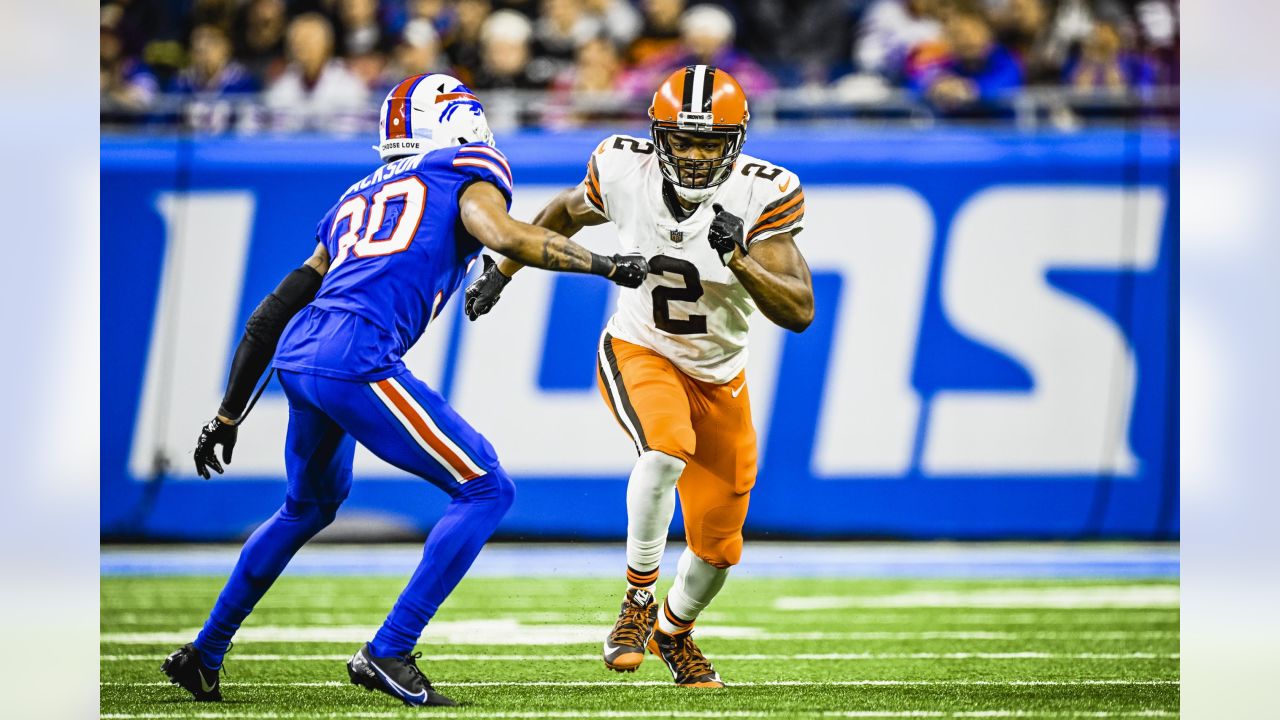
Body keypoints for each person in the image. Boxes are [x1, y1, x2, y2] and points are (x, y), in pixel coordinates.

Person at [160, 73, 648, 707]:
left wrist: (226, 415)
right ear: (454, 121)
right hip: (357, 354)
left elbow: (271, 311)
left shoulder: (357, 197)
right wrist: (608, 264)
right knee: (487, 487)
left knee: (305, 507)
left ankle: (205, 651)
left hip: (300, 353)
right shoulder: (463, 171)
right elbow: (505, 235)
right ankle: (389, 650)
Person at [464, 65, 814, 687]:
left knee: (718, 550)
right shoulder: (624, 169)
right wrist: (502, 267)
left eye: (712, 142)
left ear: (736, 142)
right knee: (663, 451)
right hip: (640, 348)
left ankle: (673, 632)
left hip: (720, 375)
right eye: (685, 140)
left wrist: (739, 259)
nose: (699, 156)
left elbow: (799, 310)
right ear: (659, 136)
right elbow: (566, 214)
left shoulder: (764, 191)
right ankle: (636, 601)